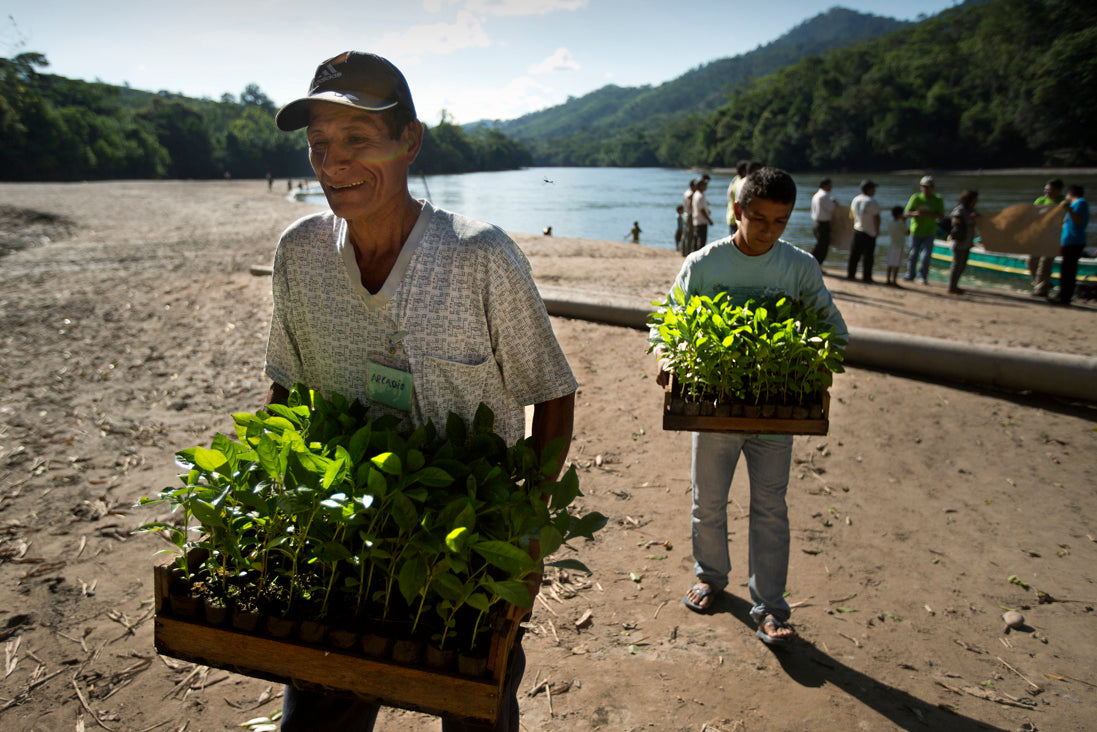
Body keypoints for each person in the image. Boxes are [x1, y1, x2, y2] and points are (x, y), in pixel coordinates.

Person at [264, 50, 578, 732]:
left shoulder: (479, 255)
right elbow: (286, 394)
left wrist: (525, 540)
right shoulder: (299, 254)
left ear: (410, 141)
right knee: (318, 716)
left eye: (357, 140)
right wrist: (284, 513)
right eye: (319, 145)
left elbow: (550, 393)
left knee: (473, 715)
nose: (333, 163)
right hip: (348, 542)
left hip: (469, 552)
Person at [652, 167, 846, 646]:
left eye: (780, 221)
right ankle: (710, 576)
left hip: (774, 411)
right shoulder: (704, 263)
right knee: (708, 502)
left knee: (770, 508)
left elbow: (833, 330)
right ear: (738, 211)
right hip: (713, 405)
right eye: (759, 219)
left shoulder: (800, 266)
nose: (769, 231)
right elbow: (666, 324)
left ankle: (770, 606)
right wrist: (665, 357)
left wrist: (821, 360)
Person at [1050, 184, 1089, 306]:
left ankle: (1065, 297)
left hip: (1075, 242)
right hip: (1068, 242)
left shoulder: (1081, 203)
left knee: (1069, 271)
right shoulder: (1074, 205)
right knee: (1066, 270)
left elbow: (1078, 221)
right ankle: (1062, 295)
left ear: (1070, 193)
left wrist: (1069, 209)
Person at [904, 175, 946, 284]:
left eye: (928, 187)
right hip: (916, 230)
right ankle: (910, 275)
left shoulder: (937, 199)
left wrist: (929, 214)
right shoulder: (916, 198)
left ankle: (923, 276)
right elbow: (907, 213)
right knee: (913, 254)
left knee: (926, 255)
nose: (926, 189)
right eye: (924, 187)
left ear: (932, 187)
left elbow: (941, 215)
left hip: (930, 231)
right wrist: (916, 213)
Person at [1029, 178, 1064, 298]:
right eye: (1046, 190)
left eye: (1050, 190)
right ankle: (1041, 283)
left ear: (1058, 190)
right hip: (1039, 235)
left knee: (1045, 263)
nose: (1047, 192)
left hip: (1053, 236)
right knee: (1031, 261)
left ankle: (1041, 289)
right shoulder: (1040, 200)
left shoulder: (1063, 201)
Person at [946, 190, 980, 295]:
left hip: (968, 242)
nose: (976, 202)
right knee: (957, 264)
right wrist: (969, 218)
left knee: (963, 265)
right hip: (959, 242)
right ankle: (951, 287)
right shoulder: (959, 210)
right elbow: (955, 222)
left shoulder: (973, 210)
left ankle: (955, 285)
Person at [848, 179, 881, 283]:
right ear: (869, 189)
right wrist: (877, 230)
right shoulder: (872, 201)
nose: (875, 191)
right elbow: (876, 218)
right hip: (869, 231)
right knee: (868, 256)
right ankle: (867, 277)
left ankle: (851, 274)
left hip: (857, 229)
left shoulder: (856, 199)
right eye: (873, 188)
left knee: (854, 254)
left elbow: (851, 215)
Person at [810, 178, 837, 264]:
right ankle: (815, 265)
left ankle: (813, 264)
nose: (831, 187)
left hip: (816, 222)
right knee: (822, 247)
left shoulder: (816, 195)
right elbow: (832, 208)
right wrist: (834, 202)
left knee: (819, 245)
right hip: (823, 224)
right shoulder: (824, 196)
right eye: (829, 185)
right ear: (825, 185)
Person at [726, 160, 750, 236]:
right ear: (744, 171)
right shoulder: (744, 182)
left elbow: (729, 197)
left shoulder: (734, 180)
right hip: (739, 218)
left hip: (731, 216)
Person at [885, 206, 906, 287]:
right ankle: (894, 280)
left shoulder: (891, 223)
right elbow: (907, 232)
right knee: (897, 264)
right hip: (899, 245)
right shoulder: (901, 224)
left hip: (892, 244)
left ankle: (888, 279)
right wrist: (904, 222)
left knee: (890, 263)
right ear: (900, 214)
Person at [691, 176, 713, 253]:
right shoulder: (700, 196)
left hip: (697, 220)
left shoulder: (696, 194)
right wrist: (709, 220)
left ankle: (694, 253)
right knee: (701, 240)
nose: (706, 187)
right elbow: (702, 210)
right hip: (701, 221)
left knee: (696, 239)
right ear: (700, 186)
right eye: (705, 185)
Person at [682, 179, 698, 257]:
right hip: (690, 215)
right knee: (690, 235)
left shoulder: (686, 192)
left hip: (685, 214)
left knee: (686, 234)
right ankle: (688, 252)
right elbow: (690, 205)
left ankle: (684, 251)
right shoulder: (691, 194)